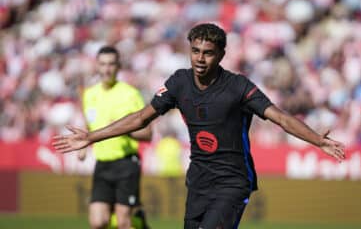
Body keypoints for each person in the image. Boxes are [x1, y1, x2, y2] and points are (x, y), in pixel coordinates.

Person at [53, 23, 345, 229]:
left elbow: (280, 117)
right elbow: (141, 118)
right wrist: (92, 137)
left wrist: (318, 140)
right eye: (195, 51)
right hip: (199, 182)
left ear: (221, 55)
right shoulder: (179, 82)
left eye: (207, 53)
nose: (200, 59)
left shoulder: (238, 86)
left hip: (232, 182)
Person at [77, 46, 152, 229]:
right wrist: (83, 146)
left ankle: (134, 221)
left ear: (118, 67)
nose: (107, 69)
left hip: (126, 164)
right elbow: (90, 124)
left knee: (123, 223)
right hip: (102, 164)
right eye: (103, 64)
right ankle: (137, 220)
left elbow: (147, 134)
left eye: (111, 64)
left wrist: (122, 128)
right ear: (97, 66)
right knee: (98, 222)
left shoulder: (130, 94)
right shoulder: (89, 94)